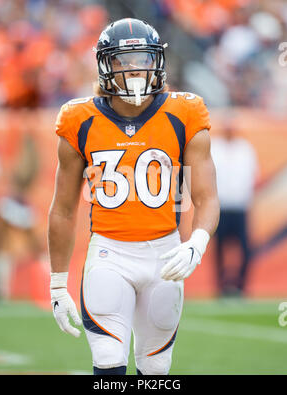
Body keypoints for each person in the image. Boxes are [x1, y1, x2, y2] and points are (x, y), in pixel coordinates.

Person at [48, 18, 219, 375]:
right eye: (123, 61)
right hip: (110, 254)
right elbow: (63, 210)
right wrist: (58, 283)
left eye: (142, 58)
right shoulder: (79, 118)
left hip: (165, 254)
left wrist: (197, 242)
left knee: (155, 369)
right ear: (105, 65)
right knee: (109, 362)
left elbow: (206, 197)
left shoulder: (185, 112)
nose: (135, 69)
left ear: (157, 61)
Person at [211, 124, 258, 296]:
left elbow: (252, 174)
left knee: (245, 248)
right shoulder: (214, 147)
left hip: (240, 206)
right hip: (221, 207)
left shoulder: (245, 149)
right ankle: (221, 286)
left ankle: (241, 285)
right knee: (219, 248)